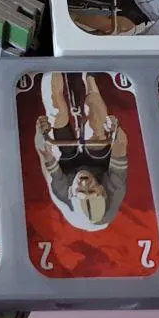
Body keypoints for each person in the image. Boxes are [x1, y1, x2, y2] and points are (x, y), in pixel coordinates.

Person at [34, 72, 127, 231]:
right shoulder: (115, 190)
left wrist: (41, 132)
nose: (84, 183)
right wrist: (115, 129)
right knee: (95, 128)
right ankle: (89, 77)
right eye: (91, 189)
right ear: (102, 190)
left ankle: (52, 67)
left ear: (71, 193)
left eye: (80, 190)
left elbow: (43, 151)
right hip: (99, 165)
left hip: (67, 167)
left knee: (56, 113)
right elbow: (121, 145)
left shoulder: (60, 194)